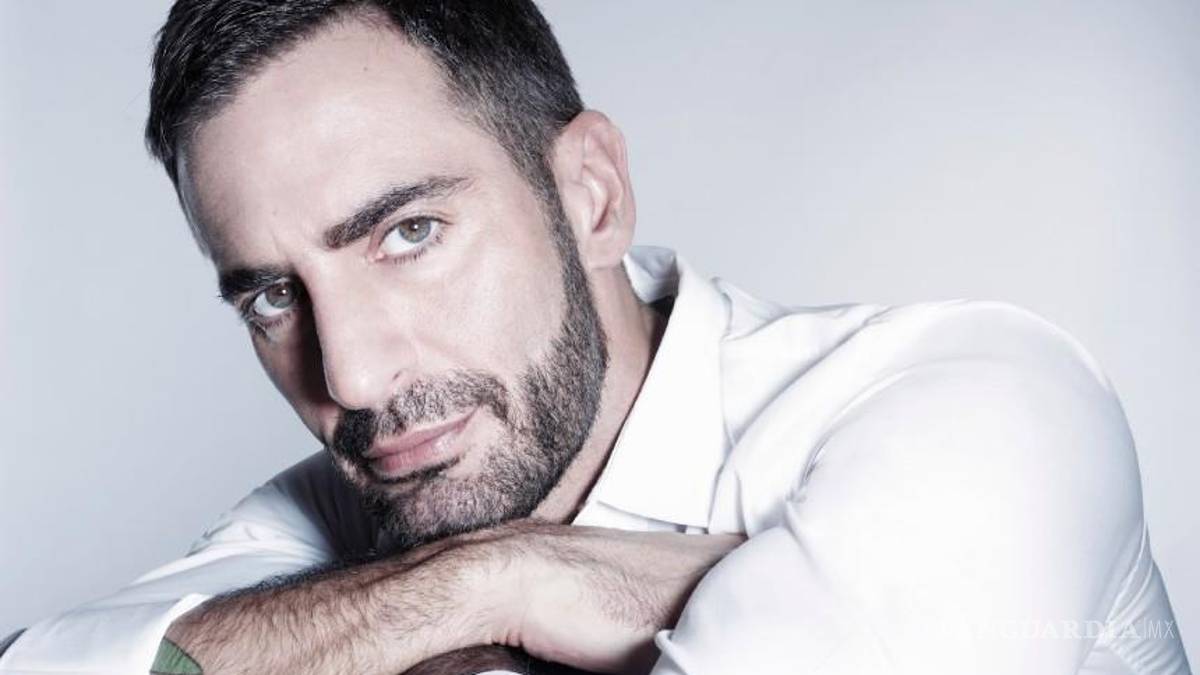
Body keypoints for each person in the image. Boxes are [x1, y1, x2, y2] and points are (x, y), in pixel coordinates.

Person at [0, 1, 1189, 673]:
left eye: (409, 233)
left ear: (593, 197)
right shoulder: (347, 519)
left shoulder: (973, 403)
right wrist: (494, 579)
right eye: (272, 297)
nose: (352, 376)